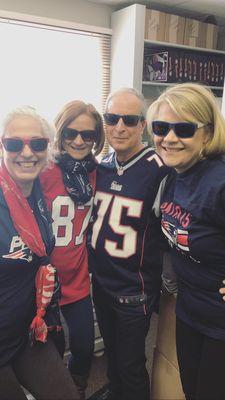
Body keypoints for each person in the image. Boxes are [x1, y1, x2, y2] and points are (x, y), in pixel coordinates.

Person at [88, 88, 169, 400]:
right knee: (113, 357)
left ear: (142, 125)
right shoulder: (101, 165)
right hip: (102, 284)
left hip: (133, 291)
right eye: (112, 118)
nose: (120, 126)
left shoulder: (160, 169)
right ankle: (115, 391)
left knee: (132, 364)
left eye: (129, 119)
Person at [147, 82, 225, 400]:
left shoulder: (218, 182)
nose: (169, 138)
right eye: (161, 127)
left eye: (183, 129)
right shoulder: (174, 175)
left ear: (206, 133)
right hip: (190, 312)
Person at [0, 106, 79, 400]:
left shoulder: (37, 191)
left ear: (47, 148)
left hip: (28, 331)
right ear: (2, 146)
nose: (26, 152)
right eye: (14, 143)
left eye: (37, 143)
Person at [40, 100, 105, 400]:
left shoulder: (97, 173)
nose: (79, 140)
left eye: (87, 135)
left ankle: (76, 388)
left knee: (82, 345)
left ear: (96, 138)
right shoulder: (42, 169)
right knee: (49, 349)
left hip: (77, 279)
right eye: (71, 133)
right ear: (60, 132)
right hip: (42, 282)